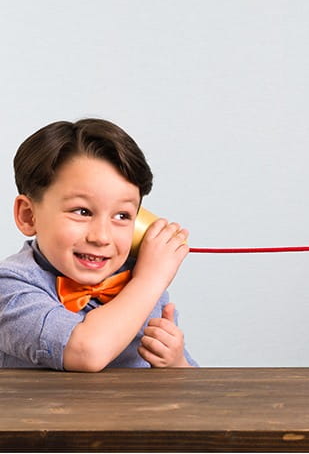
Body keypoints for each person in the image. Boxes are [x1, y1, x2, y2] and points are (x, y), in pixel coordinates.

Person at [0, 118, 196, 371]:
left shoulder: (141, 280)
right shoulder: (10, 288)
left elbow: (191, 389)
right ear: (28, 215)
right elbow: (86, 352)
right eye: (82, 211)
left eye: (122, 216)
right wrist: (150, 279)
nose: (101, 237)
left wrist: (176, 364)